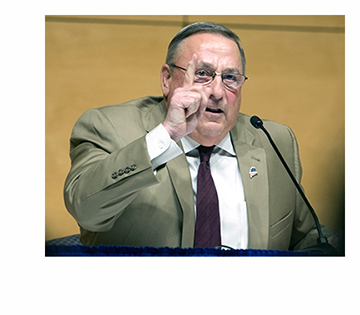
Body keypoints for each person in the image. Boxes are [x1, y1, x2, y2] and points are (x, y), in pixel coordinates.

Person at [64, 22, 333, 250]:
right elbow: (86, 211)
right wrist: (166, 135)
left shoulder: (274, 140)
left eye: (230, 77)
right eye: (202, 74)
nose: (217, 91)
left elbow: (307, 239)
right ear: (167, 80)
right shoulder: (108, 127)